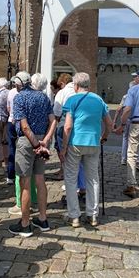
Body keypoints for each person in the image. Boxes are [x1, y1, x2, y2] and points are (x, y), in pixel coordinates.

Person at [59, 72, 112, 227]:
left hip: (75, 143)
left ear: (75, 85)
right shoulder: (98, 99)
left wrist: (63, 148)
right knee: (93, 179)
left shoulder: (72, 99)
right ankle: (92, 215)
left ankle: (74, 216)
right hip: (93, 142)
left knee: (70, 178)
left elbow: (68, 126)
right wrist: (104, 137)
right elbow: (109, 124)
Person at [9, 71, 56, 237]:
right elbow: (53, 121)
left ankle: (25, 224)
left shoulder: (19, 98)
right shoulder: (43, 97)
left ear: (20, 83)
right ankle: (43, 219)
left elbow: (24, 126)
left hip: (27, 142)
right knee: (40, 179)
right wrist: (45, 141)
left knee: (25, 183)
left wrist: (36, 145)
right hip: (42, 139)